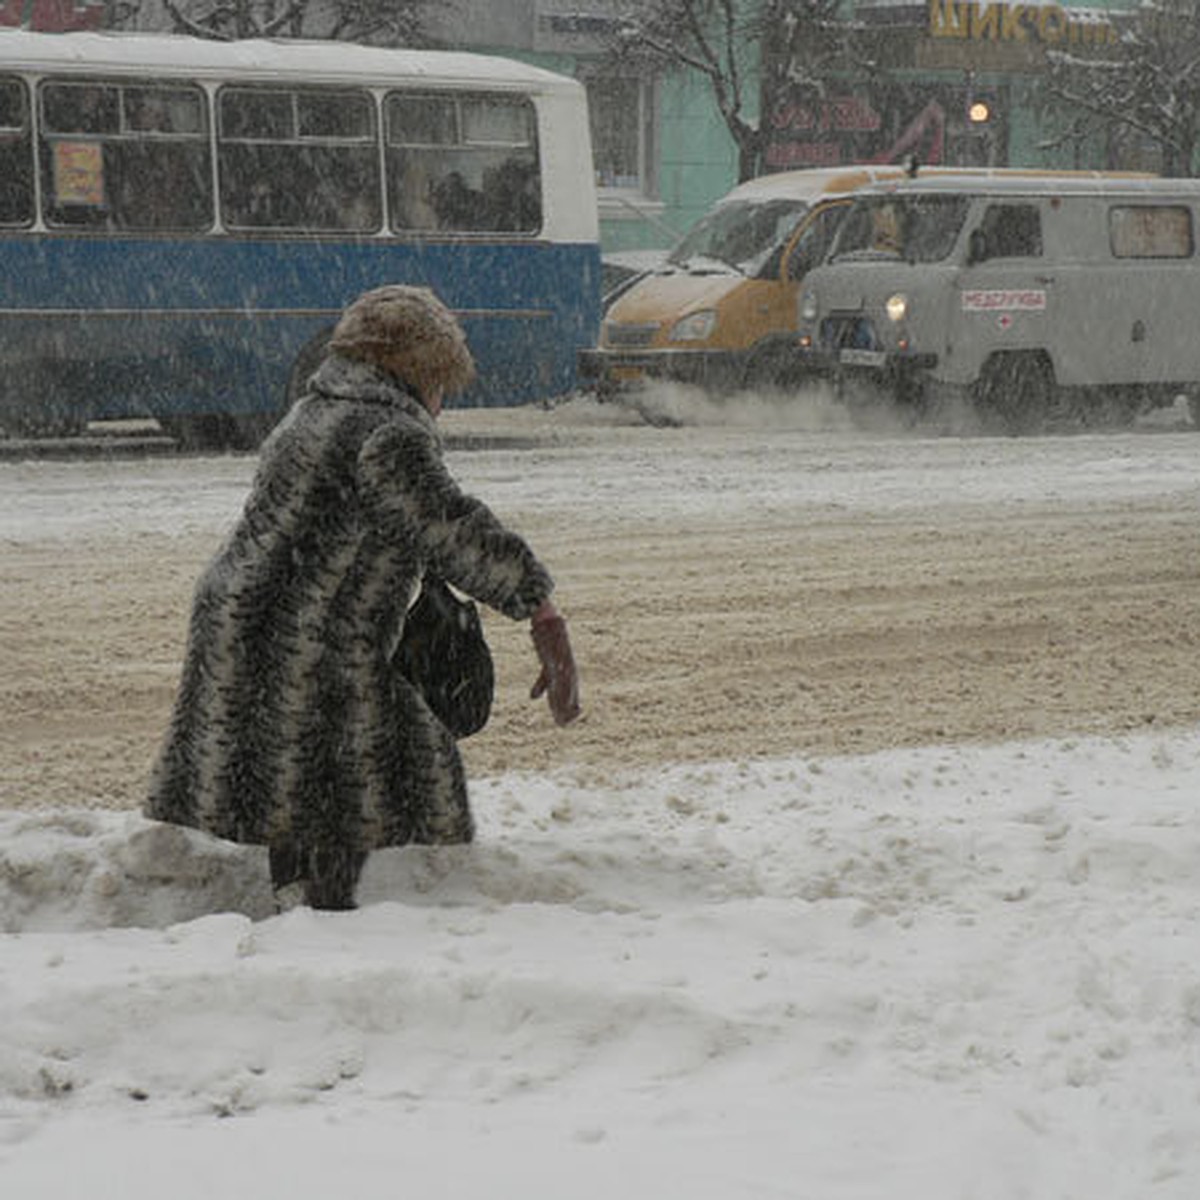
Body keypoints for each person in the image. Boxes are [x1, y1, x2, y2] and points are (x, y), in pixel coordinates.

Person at [145, 285, 581, 910]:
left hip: (245, 617)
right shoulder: (387, 433)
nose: (442, 403)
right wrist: (540, 607)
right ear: (420, 371)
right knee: (380, 770)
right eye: (441, 384)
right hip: (308, 636)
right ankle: (330, 917)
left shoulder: (314, 410)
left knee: (298, 775)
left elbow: (392, 520)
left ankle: (302, 894)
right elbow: (448, 526)